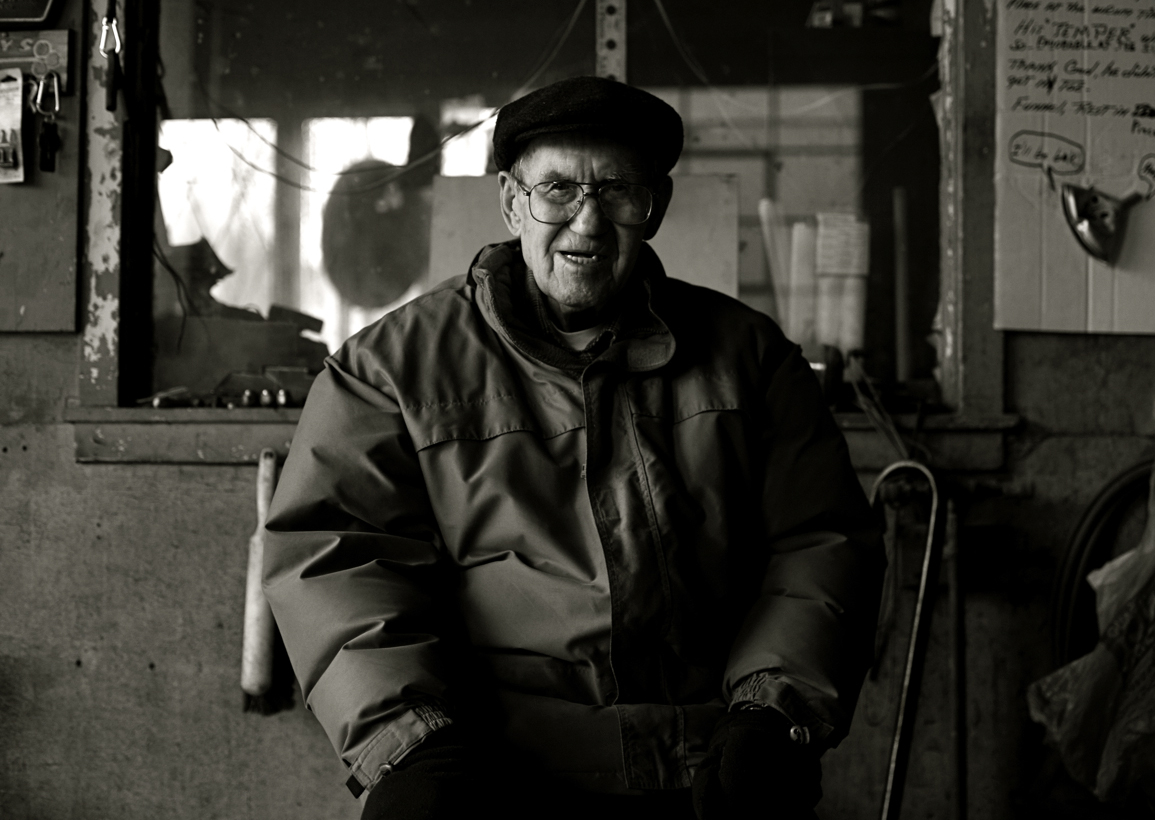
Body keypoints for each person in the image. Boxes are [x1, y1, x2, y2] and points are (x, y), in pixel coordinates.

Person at [263, 75, 886, 820]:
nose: (587, 224)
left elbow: (818, 542)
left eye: (618, 191)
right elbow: (336, 557)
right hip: (483, 777)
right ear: (510, 201)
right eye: (557, 189)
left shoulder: (749, 358)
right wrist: (410, 743)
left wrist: (771, 712)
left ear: (655, 206)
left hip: (705, 767)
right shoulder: (389, 372)